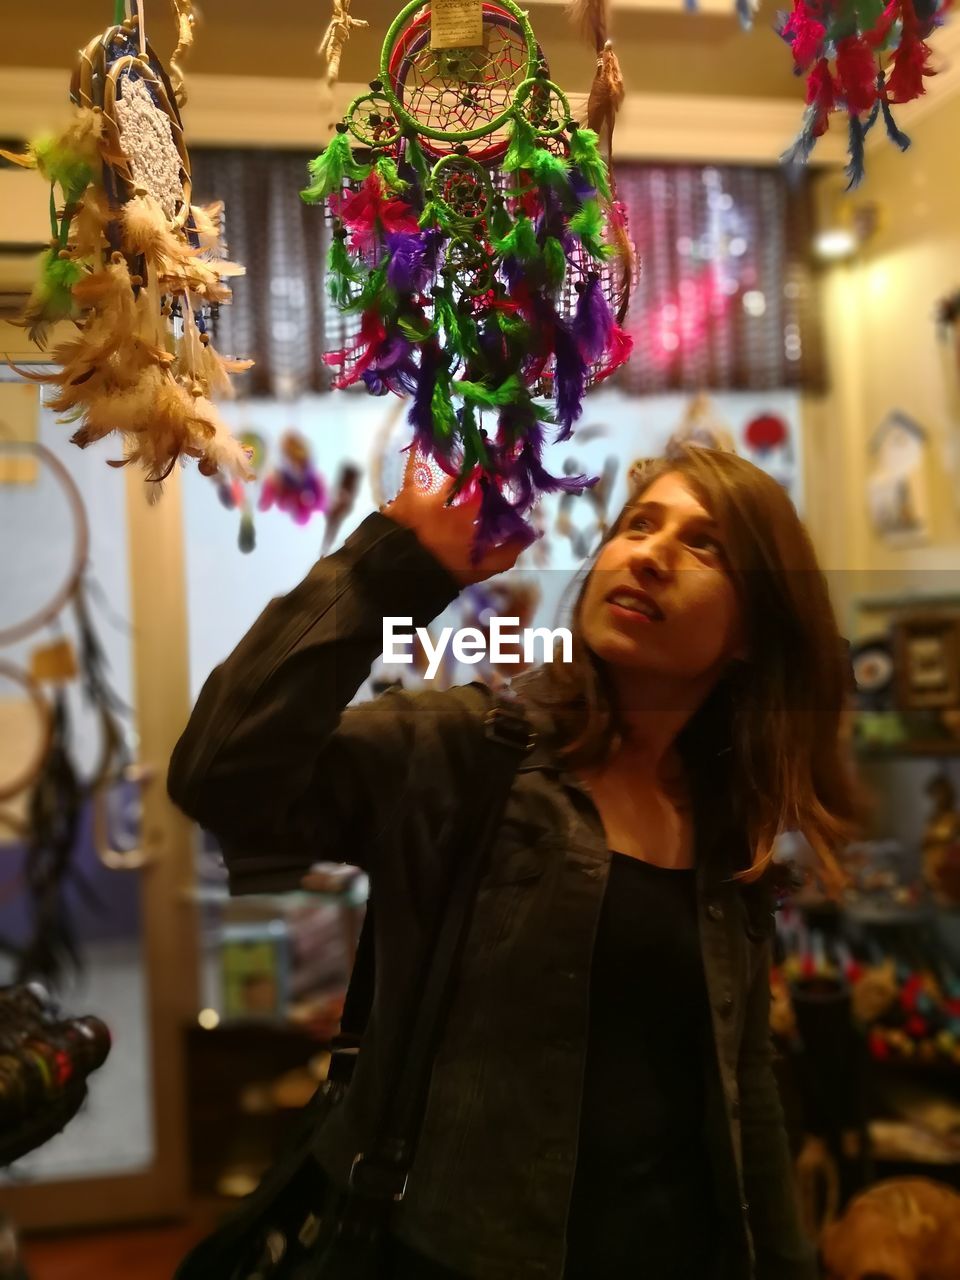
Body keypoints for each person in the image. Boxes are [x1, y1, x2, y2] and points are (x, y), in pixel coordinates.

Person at [167, 442, 862, 1280]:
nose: (649, 553)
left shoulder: (729, 823)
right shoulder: (471, 750)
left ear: (754, 631)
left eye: (704, 545)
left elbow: (742, 1077)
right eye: (639, 526)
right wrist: (390, 566)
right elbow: (223, 773)